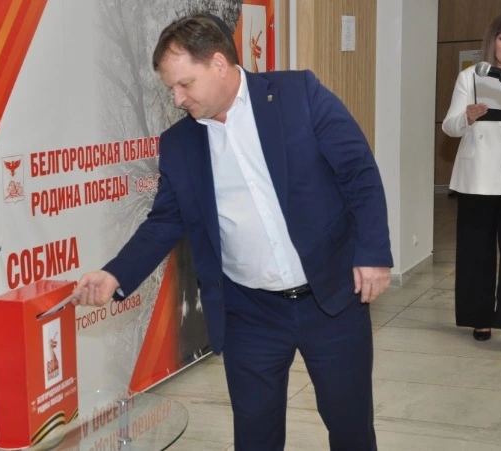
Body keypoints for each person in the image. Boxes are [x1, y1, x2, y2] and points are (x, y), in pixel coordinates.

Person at [73, 14, 392, 450]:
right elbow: (164, 222)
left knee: (350, 425)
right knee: (255, 435)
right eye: (171, 88)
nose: (177, 98)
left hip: (331, 297)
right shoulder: (180, 144)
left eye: (184, 84)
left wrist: (372, 252)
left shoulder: (298, 95)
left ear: (219, 64)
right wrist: (115, 274)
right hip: (250, 312)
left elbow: (358, 172)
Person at [442, 11, 501, 349]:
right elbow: (449, 126)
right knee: (477, 251)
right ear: (492, 41)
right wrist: (467, 117)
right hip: (480, 178)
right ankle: (480, 316)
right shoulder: (472, 76)